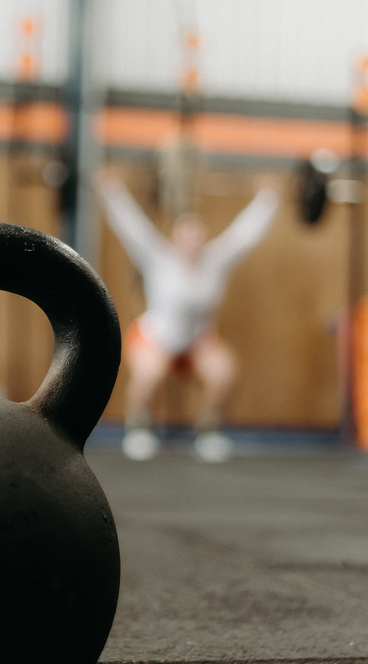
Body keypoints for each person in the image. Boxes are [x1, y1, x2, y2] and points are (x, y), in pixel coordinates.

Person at [97, 171, 280, 462]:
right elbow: (132, 227)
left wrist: (268, 200)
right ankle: (138, 429)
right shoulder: (158, 257)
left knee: (224, 374)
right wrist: (111, 190)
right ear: (176, 236)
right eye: (186, 233)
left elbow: (244, 236)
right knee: (149, 375)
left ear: (203, 237)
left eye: (197, 234)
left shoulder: (216, 261)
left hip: (197, 341)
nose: (192, 239)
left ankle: (209, 432)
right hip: (156, 337)